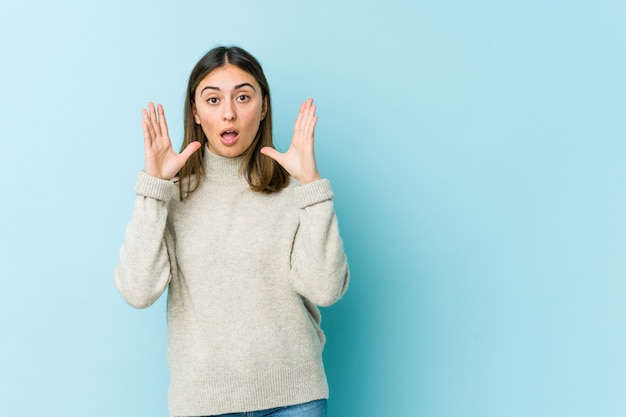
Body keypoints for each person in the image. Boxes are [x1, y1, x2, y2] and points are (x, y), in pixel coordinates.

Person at [113, 45, 349, 417]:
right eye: (212, 99)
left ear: (264, 106)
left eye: (243, 97)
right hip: (204, 402)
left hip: (295, 398)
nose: (229, 113)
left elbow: (326, 289)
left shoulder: (295, 190)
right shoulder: (170, 196)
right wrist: (153, 188)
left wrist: (311, 186)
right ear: (195, 110)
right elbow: (138, 291)